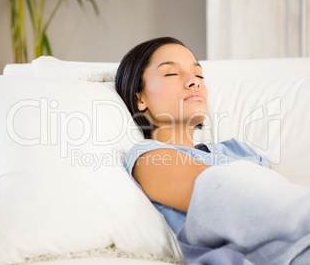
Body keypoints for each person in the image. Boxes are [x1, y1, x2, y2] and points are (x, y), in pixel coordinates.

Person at [115, 37, 269, 234]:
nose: (194, 81)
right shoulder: (148, 156)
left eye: (199, 75)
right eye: (171, 73)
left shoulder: (238, 150)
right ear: (140, 98)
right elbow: (236, 202)